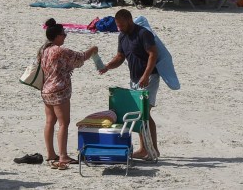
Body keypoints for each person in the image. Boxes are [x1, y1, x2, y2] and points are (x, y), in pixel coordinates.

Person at [98, 9, 160, 159]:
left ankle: (153, 149)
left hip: (149, 77)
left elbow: (153, 53)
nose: (119, 28)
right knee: (140, 115)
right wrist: (108, 66)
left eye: (122, 25)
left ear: (129, 20)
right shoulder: (122, 36)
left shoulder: (143, 34)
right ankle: (144, 148)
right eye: (118, 26)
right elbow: (120, 57)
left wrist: (145, 75)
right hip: (134, 79)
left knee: (144, 113)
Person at [39, 18, 98, 170]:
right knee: (64, 123)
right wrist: (93, 49)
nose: (65, 36)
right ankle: (63, 155)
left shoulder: (43, 49)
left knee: (49, 122)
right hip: (59, 90)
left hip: (46, 89)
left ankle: (51, 154)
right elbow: (80, 58)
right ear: (57, 36)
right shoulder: (59, 50)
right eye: (63, 34)